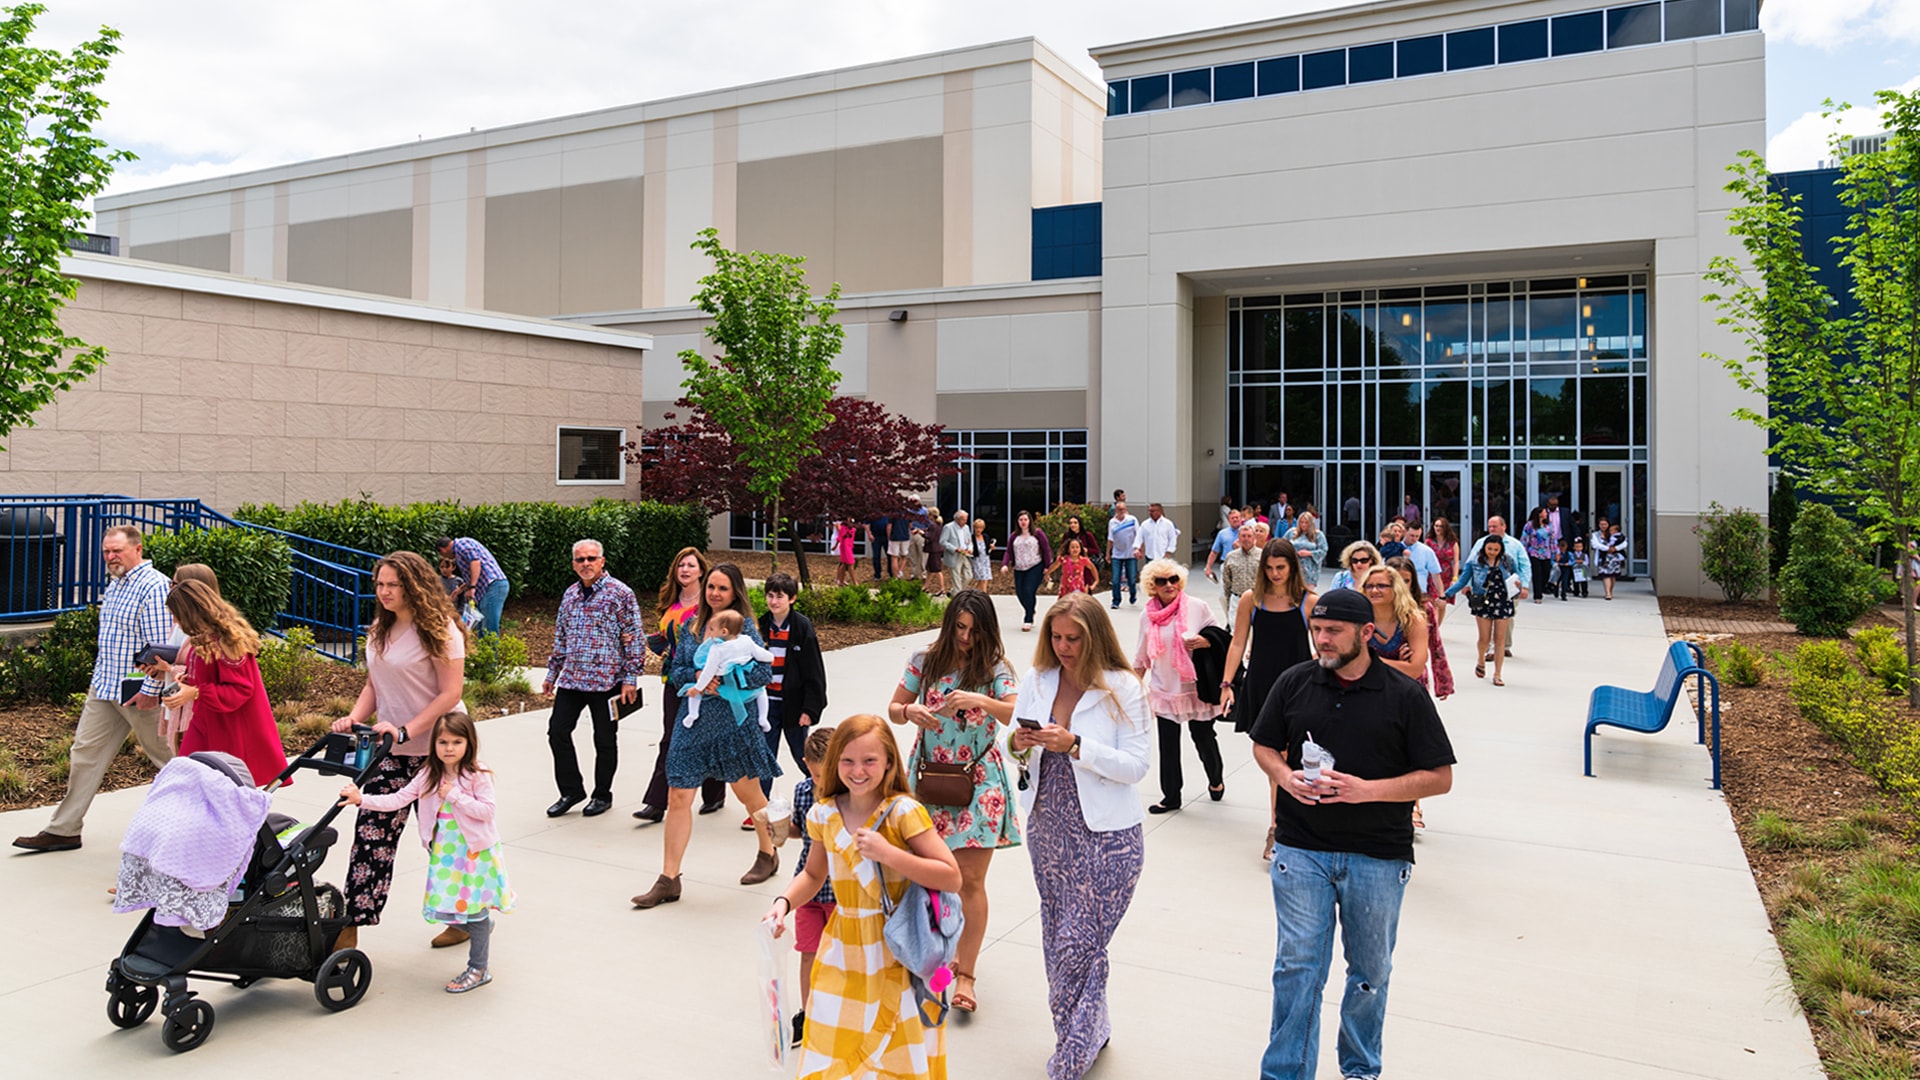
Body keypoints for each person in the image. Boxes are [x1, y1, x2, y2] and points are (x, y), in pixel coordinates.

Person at [1248, 588, 1457, 1080]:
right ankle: (1285, 1073)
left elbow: (1440, 777)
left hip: (1378, 856)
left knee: (1369, 974)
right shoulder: (1294, 682)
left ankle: (1360, 1069)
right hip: (1300, 850)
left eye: (1333, 631)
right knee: (1297, 971)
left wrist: (1368, 791)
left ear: (1366, 633)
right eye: (1317, 629)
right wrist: (1282, 776)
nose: (1322, 639)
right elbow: (1264, 745)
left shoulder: (1404, 695)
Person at [764, 715, 962, 1079]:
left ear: (889, 761)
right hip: (842, 947)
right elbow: (812, 873)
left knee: (896, 1048)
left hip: (896, 948)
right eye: (848, 761)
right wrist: (783, 903)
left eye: (870, 760)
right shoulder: (822, 814)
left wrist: (890, 854)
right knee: (831, 1042)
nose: (858, 771)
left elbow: (951, 876)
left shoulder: (903, 812)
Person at [1009, 594, 1151, 1079]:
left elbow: (1135, 766)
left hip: (1109, 836)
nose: (1063, 647)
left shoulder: (1122, 687)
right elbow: (1011, 740)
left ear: (1095, 637)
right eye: (1057, 637)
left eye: (1073, 638)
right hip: (1049, 824)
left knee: (1078, 945)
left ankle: (1071, 1056)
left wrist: (1076, 746)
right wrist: (1020, 741)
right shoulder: (1037, 680)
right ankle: (1092, 1027)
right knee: (1059, 938)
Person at [887, 589, 1021, 1014]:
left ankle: (966, 976)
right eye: (959, 628)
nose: (965, 637)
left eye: (974, 630)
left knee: (970, 881)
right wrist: (910, 714)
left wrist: (978, 698)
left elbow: (1015, 713)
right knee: (928, 877)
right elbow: (894, 707)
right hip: (929, 778)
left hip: (979, 782)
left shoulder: (996, 666)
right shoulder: (925, 659)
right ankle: (937, 965)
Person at [328, 550, 470, 951]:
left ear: (414, 586)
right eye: (380, 585)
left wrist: (407, 730)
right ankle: (349, 926)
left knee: (444, 838)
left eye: (394, 585)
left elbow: (450, 694)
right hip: (391, 747)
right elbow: (376, 684)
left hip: (441, 750)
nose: (385, 592)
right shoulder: (381, 627)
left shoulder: (441, 630)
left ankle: (464, 917)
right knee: (371, 834)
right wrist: (355, 718)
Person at [15, 526, 175, 853]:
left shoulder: (153, 586)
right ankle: (64, 830)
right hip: (105, 689)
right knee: (84, 755)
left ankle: (199, 830)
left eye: (117, 551)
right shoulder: (116, 584)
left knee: (170, 761)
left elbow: (160, 649)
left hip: (138, 693)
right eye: (106, 552)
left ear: (137, 549)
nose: (111, 557)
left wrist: (149, 690)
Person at [632, 563, 782, 908]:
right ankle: (669, 878)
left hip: (733, 724)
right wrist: (700, 673)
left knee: (750, 795)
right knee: (678, 797)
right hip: (693, 724)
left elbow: (763, 670)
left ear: (735, 593)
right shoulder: (692, 625)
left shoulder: (744, 628)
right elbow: (677, 667)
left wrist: (729, 679)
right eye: (711, 586)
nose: (714, 593)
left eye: (722, 588)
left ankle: (768, 852)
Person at [341, 711, 512, 994]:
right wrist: (361, 799)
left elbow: (487, 811)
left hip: (474, 855)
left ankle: (478, 968)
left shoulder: (476, 775)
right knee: (448, 905)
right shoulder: (428, 773)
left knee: (474, 911)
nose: (449, 749)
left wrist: (454, 795)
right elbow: (398, 799)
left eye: (457, 742)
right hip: (446, 855)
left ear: (469, 743)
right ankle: (475, 928)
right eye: (443, 742)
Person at [1221, 538, 1317, 860]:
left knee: (1288, 758)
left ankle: (1278, 828)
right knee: (1273, 760)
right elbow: (1237, 643)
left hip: (1298, 689)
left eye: (1281, 567)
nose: (1275, 573)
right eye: (1270, 568)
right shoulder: (1252, 599)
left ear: (1292, 567)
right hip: (1262, 686)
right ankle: (1281, 825)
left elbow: (1324, 647)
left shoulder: (1308, 602)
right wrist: (1226, 684)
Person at [541, 539, 643, 819]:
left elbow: (634, 638)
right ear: (574, 564)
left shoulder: (620, 594)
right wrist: (553, 673)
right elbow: (560, 636)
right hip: (572, 680)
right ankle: (571, 790)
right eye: (580, 559)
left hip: (606, 681)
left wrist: (630, 678)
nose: (585, 563)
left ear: (602, 561)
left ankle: (602, 795)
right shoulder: (570, 594)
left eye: (591, 558)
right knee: (557, 732)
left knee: (605, 740)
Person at [160, 580, 289, 788]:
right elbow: (207, 673)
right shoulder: (205, 638)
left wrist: (194, 692)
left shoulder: (227, 642)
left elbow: (241, 688)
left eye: (176, 614)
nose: (174, 620)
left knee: (218, 786)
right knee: (188, 777)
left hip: (230, 729)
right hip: (207, 721)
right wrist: (186, 682)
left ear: (190, 613)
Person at [637, 548, 727, 822]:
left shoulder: (710, 604)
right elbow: (667, 637)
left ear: (702, 570)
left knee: (707, 737)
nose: (685, 570)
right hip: (674, 680)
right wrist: (647, 640)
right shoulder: (671, 603)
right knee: (670, 739)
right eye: (680, 566)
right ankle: (656, 803)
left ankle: (715, 794)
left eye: (691, 565)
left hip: (705, 680)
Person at [1134, 558, 1225, 814]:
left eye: (1173, 579)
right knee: (1168, 745)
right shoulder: (1147, 616)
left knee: (1203, 737)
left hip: (1196, 687)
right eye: (1161, 581)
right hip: (1164, 689)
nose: (1169, 585)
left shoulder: (1197, 606)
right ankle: (1171, 796)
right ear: (1152, 586)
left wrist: (1204, 642)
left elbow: (1218, 636)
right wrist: (1129, 686)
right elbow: (1141, 657)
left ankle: (1215, 780)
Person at [774, 724, 837, 1049]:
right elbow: (801, 830)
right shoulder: (801, 791)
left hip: (843, 894)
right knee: (809, 953)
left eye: (827, 774)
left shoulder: (853, 795)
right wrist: (782, 830)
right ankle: (809, 1012)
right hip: (809, 890)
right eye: (815, 775)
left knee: (842, 956)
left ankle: (840, 1012)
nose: (821, 782)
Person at [757, 572, 828, 799]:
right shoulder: (760, 626)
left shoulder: (801, 627)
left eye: (780, 596)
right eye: (770, 595)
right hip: (766, 704)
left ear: (792, 598)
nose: (774, 601)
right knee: (765, 755)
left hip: (794, 705)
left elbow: (814, 671)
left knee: (802, 755)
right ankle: (760, 805)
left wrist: (810, 709)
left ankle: (822, 796)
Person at [1446, 534, 1523, 686]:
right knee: (1484, 639)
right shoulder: (1475, 561)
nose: (1492, 552)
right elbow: (1463, 580)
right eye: (1489, 549)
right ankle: (1481, 659)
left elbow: (1515, 575)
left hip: (1503, 600)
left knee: (1500, 639)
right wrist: (1447, 594)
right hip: (1483, 601)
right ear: (1484, 548)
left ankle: (1498, 673)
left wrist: (1520, 584)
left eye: (1496, 549)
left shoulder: (1507, 560)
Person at [681, 609, 774, 729]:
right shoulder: (746, 641)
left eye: (712, 629)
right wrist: (771, 658)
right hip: (743, 682)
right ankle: (763, 718)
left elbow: (708, 672)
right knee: (761, 691)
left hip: (722, 684)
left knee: (694, 693)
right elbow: (761, 654)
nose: (710, 633)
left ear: (724, 631)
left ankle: (693, 714)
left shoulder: (717, 649)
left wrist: (698, 688)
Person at [1359, 564, 1430, 686]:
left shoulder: (1412, 620)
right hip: (1369, 689)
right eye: (1369, 586)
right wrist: (1399, 664)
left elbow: (1415, 670)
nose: (1374, 590)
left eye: (1381, 586)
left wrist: (1366, 660)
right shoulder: (1358, 620)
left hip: (1406, 691)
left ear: (1396, 588)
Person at [437, 535, 509, 636]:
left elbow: (475, 563)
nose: (445, 557)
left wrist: (472, 587)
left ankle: (490, 651)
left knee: (488, 628)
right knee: (481, 627)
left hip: (492, 586)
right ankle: (484, 651)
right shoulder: (461, 547)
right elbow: (474, 573)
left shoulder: (461, 545)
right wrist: (460, 589)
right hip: (487, 588)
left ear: (442, 550)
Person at [1005, 509, 1055, 632]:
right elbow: (1008, 551)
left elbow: (1046, 548)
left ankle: (1028, 618)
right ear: (1017, 521)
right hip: (1019, 567)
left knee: (1028, 590)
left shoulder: (1037, 533)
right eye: (1021, 520)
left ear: (1029, 521)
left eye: (1025, 519)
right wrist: (1005, 564)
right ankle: (1031, 609)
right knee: (1020, 592)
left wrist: (1047, 566)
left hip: (1035, 566)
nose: (1023, 522)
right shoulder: (1014, 535)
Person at [1106, 499, 1141, 609]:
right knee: (1116, 580)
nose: (1121, 511)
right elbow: (1110, 539)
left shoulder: (1132, 520)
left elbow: (1139, 536)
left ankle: (1133, 595)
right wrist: (1108, 553)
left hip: (1131, 554)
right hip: (1117, 554)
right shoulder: (1112, 522)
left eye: (1123, 509)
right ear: (1115, 510)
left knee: (1131, 578)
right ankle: (1116, 600)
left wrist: (1139, 549)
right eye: (1119, 509)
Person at [1220, 522, 1262, 609]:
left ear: (1254, 538)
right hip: (1236, 599)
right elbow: (1227, 581)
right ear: (1238, 538)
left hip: (1257, 599)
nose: (1246, 539)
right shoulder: (1231, 556)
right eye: (1243, 536)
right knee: (1234, 623)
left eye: (1249, 536)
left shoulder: (1262, 555)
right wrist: (1228, 599)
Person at [1520, 508, 1557, 606]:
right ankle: (1538, 595)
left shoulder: (1549, 525)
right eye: (1544, 512)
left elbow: (1553, 539)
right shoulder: (1529, 525)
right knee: (1537, 573)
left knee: (1546, 572)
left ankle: (1542, 587)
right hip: (1534, 552)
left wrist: (1555, 551)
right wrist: (1523, 551)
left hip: (1546, 552)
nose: (1546, 514)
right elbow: (1524, 538)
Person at [1429, 518, 1460, 627]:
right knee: (1434, 602)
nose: (1438, 528)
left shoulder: (1452, 543)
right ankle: (1434, 628)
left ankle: (1437, 627)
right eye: (1436, 526)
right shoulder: (1429, 541)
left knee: (1443, 603)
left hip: (1446, 575)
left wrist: (1455, 578)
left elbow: (1455, 562)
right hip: (1432, 575)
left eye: (1441, 526)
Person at [1205, 507, 1246, 584]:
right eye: (1232, 518)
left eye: (1237, 517)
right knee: (1224, 591)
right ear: (1228, 520)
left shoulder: (1247, 532)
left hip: (1242, 564)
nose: (1235, 519)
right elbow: (1214, 552)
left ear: (1241, 518)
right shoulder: (1222, 534)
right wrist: (1208, 567)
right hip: (1226, 564)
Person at [1286, 512, 1327, 589]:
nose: (1303, 525)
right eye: (1301, 522)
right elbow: (1283, 545)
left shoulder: (1318, 535)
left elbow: (1323, 550)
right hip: (1293, 567)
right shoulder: (1292, 532)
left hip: (1310, 570)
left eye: (1306, 522)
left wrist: (1309, 553)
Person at [940, 509, 972, 596]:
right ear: (957, 519)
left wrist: (970, 548)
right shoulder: (948, 527)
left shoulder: (966, 528)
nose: (965, 521)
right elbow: (943, 541)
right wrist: (955, 549)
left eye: (966, 519)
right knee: (956, 577)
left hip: (965, 554)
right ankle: (957, 597)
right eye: (963, 519)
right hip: (954, 555)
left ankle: (954, 591)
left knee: (969, 575)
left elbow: (969, 541)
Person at [1593, 518, 1626, 600]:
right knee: (1606, 575)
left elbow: (1624, 543)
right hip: (1604, 557)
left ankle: (1610, 591)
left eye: (1605, 524)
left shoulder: (1613, 532)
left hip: (1614, 557)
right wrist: (1607, 548)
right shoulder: (1596, 534)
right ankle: (1607, 593)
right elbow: (1595, 545)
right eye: (1601, 524)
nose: (1603, 526)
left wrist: (1615, 548)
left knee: (1613, 576)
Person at [888, 512, 914, 580]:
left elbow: (889, 526)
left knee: (894, 558)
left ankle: (896, 577)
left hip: (894, 537)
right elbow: (910, 525)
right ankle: (900, 571)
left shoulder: (892, 514)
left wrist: (889, 537)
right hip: (905, 537)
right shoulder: (908, 513)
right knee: (904, 556)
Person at [833, 519, 859, 587]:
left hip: (849, 546)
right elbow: (840, 537)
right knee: (851, 564)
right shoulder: (844, 527)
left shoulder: (852, 526)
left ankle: (841, 581)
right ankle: (855, 582)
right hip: (845, 546)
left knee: (844, 564)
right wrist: (835, 545)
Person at [970, 518, 995, 583]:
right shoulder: (972, 538)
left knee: (985, 580)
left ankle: (978, 593)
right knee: (982, 580)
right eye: (977, 527)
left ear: (983, 528)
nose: (978, 530)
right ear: (974, 528)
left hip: (985, 560)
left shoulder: (985, 536)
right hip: (977, 560)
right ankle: (981, 593)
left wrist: (991, 546)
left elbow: (988, 545)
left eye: (980, 528)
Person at [868, 516, 890, 581]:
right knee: (876, 556)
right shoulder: (873, 513)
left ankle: (891, 573)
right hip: (875, 537)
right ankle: (877, 575)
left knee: (890, 555)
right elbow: (866, 524)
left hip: (887, 536)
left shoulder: (888, 512)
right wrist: (869, 534)